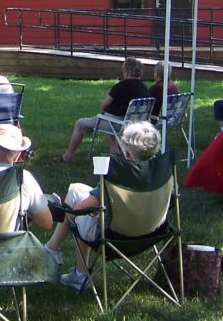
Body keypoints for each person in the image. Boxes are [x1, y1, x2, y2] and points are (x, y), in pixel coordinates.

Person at [44, 121, 161, 292]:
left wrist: (88, 210)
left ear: (127, 152)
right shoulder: (161, 173)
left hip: (114, 237)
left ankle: (76, 272)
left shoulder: (119, 174)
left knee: (77, 208)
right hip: (150, 232)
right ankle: (50, 249)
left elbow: (79, 209)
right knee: (76, 189)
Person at [58, 57, 150, 162]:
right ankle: (114, 148)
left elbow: (103, 105)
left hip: (117, 124)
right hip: (134, 123)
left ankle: (68, 156)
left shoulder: (120, 86)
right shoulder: (144, 88)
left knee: (80, 124)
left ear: (126, 72)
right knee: (107, 117)